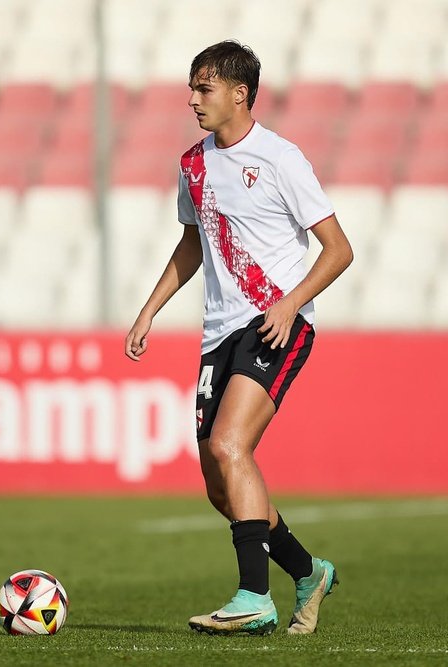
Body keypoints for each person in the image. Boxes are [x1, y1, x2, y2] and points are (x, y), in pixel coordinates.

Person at [124, 40, 354, 636]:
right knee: (219, 485)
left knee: (231, 446)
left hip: (274, 323)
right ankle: (308, 571)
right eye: (192, 88)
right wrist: (149, 312)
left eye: (204, 88)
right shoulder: (193, 164)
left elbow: (339, 249)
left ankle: (255, 597)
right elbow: (193, 243)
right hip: (217, 334)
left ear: (239, 94)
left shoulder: (280, 158)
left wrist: (291, 303)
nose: (193, 99)